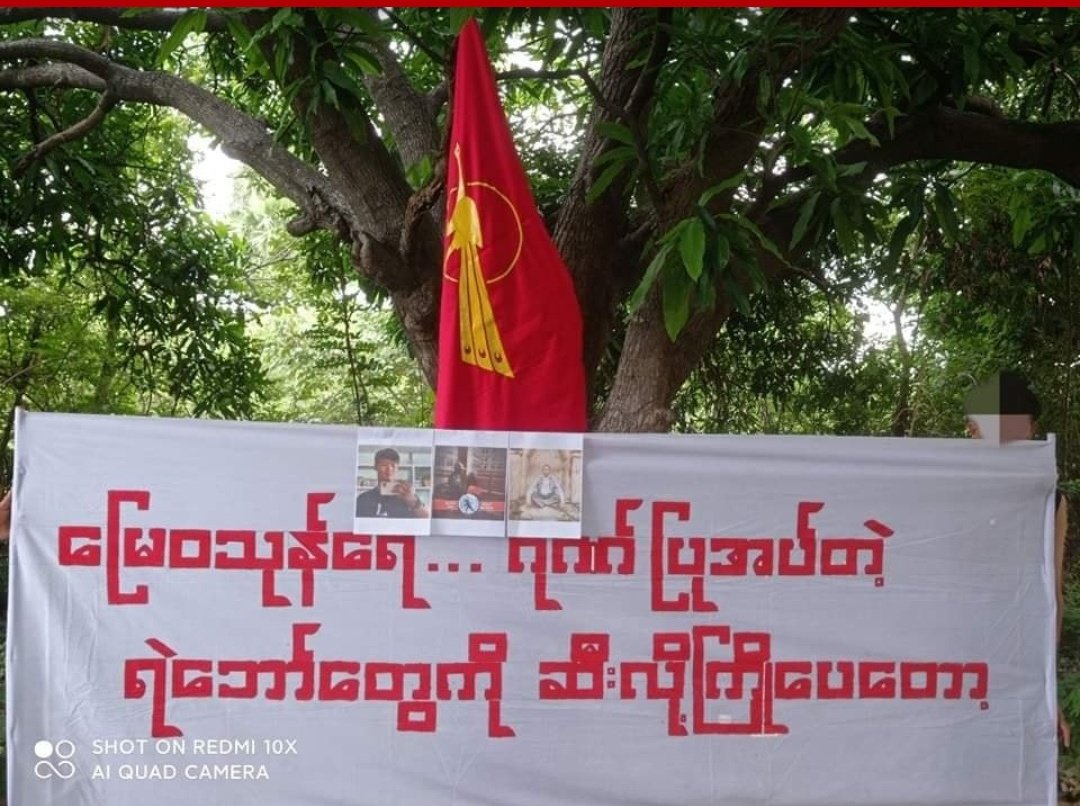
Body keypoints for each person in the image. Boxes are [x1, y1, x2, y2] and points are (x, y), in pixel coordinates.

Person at [965, 371, 1071, 747]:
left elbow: (1050, 597)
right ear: (973, 430)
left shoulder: (1050, 501)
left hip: (1012, 654)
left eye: (1016, 424)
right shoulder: (943, 488)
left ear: (1031, 430)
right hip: (946, 652)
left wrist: (1047, 691)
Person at [355, 448, 429, 518]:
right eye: (384, 465)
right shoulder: (364, 499)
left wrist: (413, 502)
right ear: (375, 467)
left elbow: (427, 518)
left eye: (393, 465)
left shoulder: (407, 495)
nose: (389, 469)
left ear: (397, 468)